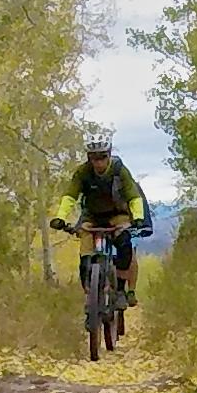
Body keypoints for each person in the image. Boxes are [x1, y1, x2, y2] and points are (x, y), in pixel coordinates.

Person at [51, 127, 153, 305]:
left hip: (117, 214)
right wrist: (61, 217)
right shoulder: (83, 172)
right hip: (92, 216)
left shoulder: (119, 170)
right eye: (93, 158)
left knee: (124, 243)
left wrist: (137, 218)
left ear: (109, 154)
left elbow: (133, 195)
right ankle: (90, 298)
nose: (98, 162)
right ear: (88, 158)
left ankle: (121, 289)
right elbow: (70, 196)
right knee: (85, 256)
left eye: (102, 157)